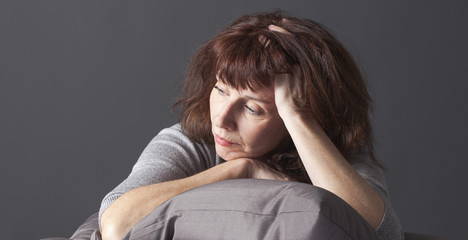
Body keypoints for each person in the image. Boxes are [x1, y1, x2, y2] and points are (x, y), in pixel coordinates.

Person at [99, 12, 403, 240]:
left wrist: (297, 117)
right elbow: (116, 224)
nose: (222, 118)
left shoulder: (335, 152)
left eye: (252, 108)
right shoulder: (191, 141)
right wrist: (240, 170)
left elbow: (382, 235)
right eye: (220, 90)